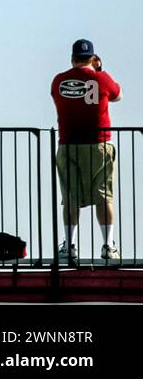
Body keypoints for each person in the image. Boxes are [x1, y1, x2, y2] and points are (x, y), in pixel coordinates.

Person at [51, 39, 122, 265]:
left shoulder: (59, 80)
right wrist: (99, 70)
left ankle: (69, 246)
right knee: (103, 196)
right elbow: (118, 95)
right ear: (93, 58)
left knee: (70, 198)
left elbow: (55, 97)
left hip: (68, 144)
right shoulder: (102, 78)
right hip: (98, 144)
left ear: (72, 58)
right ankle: (108, 245)